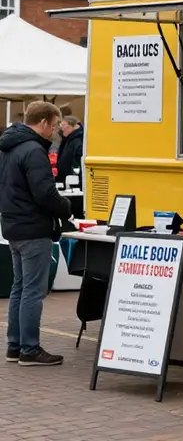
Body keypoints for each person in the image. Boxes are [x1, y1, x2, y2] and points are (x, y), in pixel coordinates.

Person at [0, 101, 73, 366]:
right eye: (54, 126)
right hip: (33, 228)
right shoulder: (33, 151)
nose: (54, 131)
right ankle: (29, 349)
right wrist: (66, 207)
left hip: (13, 226)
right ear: (43, 122)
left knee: (19, 288)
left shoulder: (9, 148)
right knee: (33, 290)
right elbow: (45, 193)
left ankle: (15, 346)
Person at [55, 116, 83, 185]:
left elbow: (77, 164)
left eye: (63, 125)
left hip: (72, 183)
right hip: (67, 181)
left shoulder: (77, 141)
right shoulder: (69, 139)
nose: (61, 128)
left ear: (72, 126)